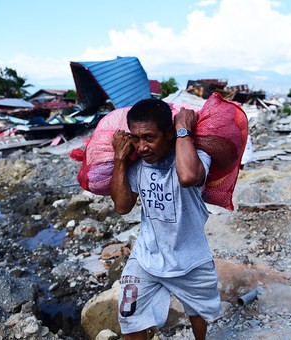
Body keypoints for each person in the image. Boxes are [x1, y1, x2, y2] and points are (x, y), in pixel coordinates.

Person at [111, 98, 220, 340]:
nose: (141, 147)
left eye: (149, 138)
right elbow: (122, 207)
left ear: (169, 133)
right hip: (146, 257)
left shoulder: (196, 156)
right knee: (129, 317)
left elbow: (189, 176)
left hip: (190, 259)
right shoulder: (137, 166)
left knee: (199, 312)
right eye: (135, 138)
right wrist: (119, 159)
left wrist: (183, 130)